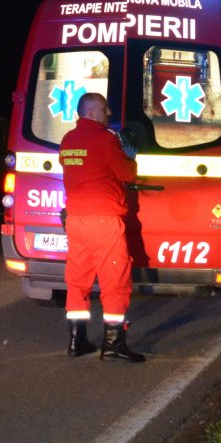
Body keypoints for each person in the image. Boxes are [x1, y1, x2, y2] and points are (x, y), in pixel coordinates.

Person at [59, 92, 145, 362]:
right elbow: (127, 174)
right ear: (92, 112)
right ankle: (113, 344)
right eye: (105, 108)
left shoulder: (68, 140)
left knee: (77, 281)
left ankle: (77, 342)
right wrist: (130, 156)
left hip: (76, 220)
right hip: (103, 222)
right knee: (115, 281)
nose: (109, 113)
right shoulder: (106, 140)